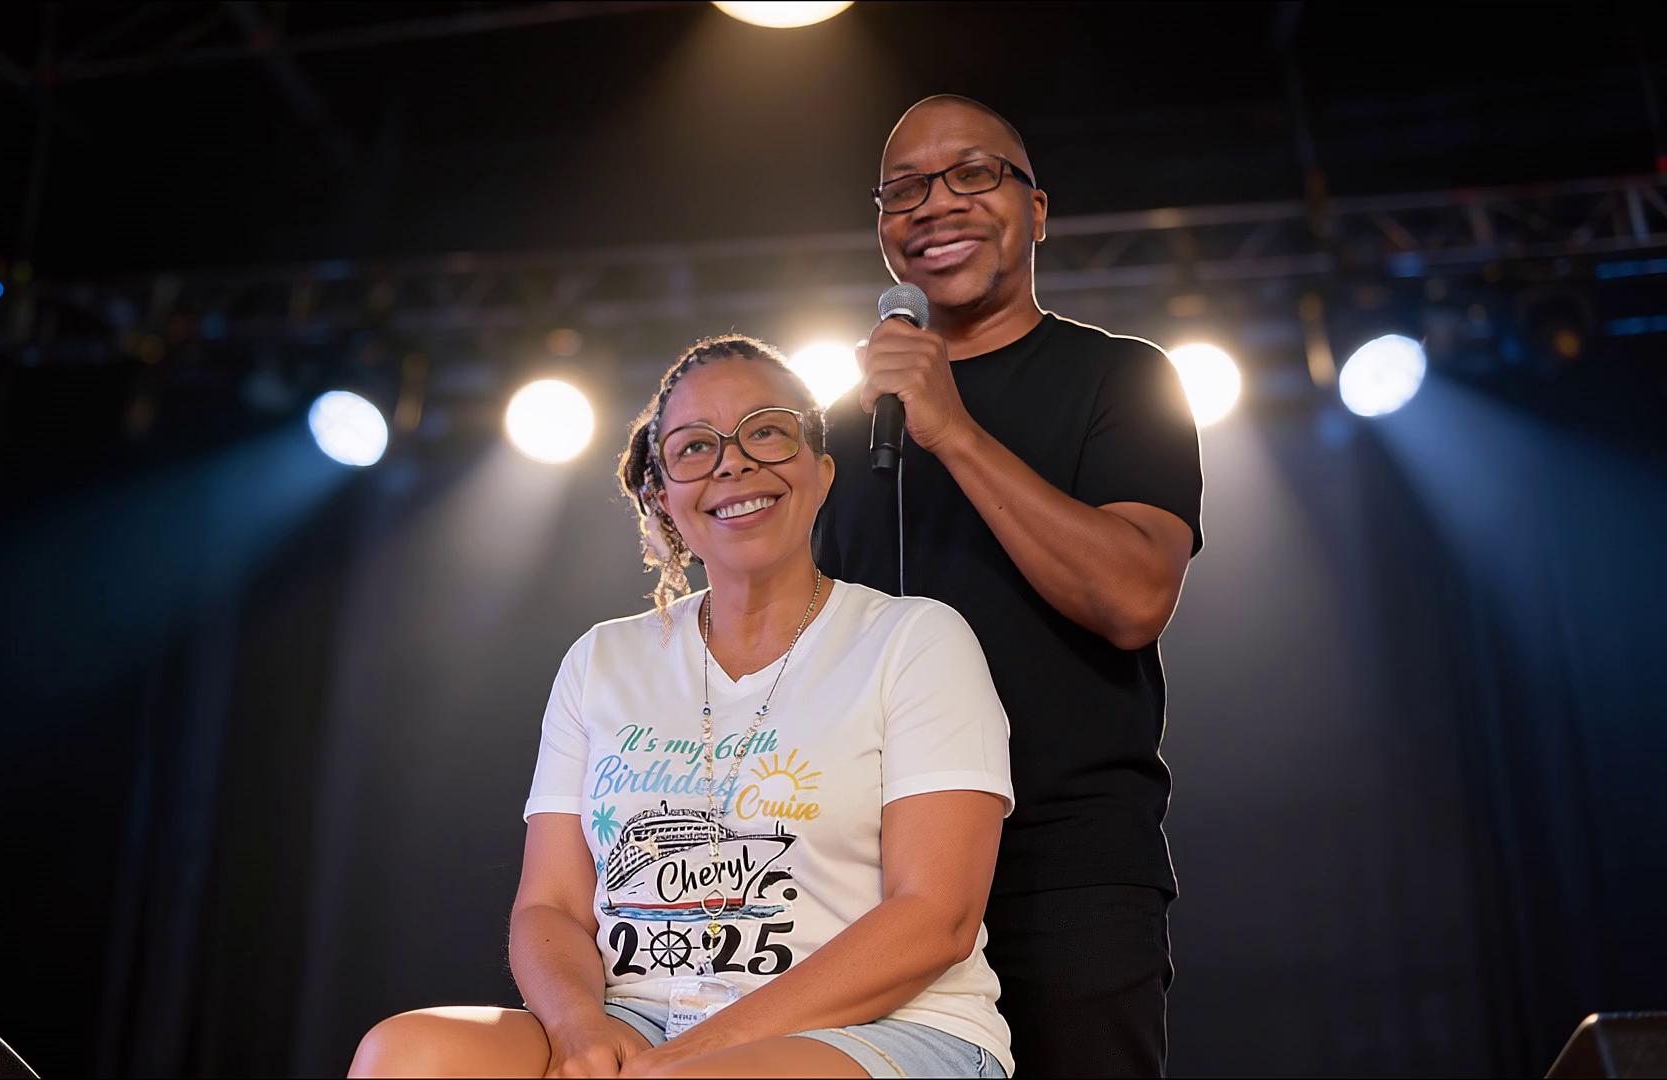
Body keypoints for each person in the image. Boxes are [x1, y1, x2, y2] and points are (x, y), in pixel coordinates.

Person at [350, 335, 1016, 1078]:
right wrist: (578, 1029)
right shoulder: (603, 659)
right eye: (695, 447)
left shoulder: (914, 640)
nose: (733, 462)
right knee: (406, 1054)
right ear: (662, 493)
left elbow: (937, 920)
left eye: (767, 431)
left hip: (881, 1026)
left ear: (821, 474)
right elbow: (553, 909)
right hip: (636, 1019)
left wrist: (688, 1057)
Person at [816, 95, 1204, 1077]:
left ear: (1038, 210)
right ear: (883, 233)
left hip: (1063, 869)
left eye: (973, 175)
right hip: (865, 883)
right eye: (905, 189)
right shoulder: (839, 426)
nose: (935, 204)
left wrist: (952, 429)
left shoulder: (1123, 379)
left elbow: (1132, 598)